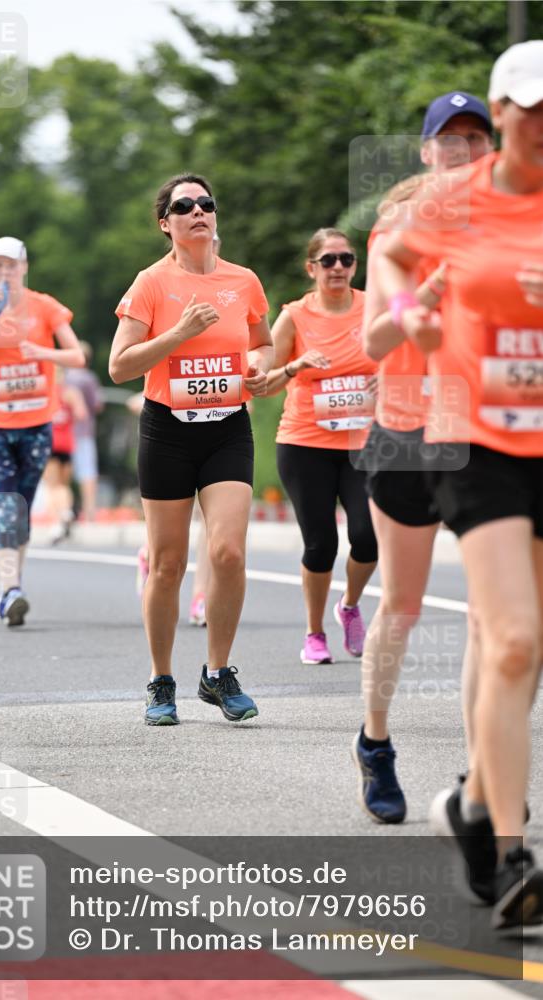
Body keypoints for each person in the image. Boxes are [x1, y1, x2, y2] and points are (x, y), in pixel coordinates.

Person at [376, 42, 543, 929]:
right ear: (503, 112)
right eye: (528, 108)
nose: (540, 126)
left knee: (531, 645)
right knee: (509, 638)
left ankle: (472, 808)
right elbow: (396, 263)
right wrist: (413, 322)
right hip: (471, 436)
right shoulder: (457, 200)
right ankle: (515, 854)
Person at [355, 92, 494, 825]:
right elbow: (374, 343)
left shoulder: (507, 229)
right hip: (407, 430)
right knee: (402, 606)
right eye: (450, 141)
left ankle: (483, 776)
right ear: (424, 151)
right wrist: (425, 297)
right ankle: (374, 743)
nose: (464, 152)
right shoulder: (395, 233)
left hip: (478, 432)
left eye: (477, 139)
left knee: (489, 617)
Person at [110, 173, 273, 725]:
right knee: (168, 563)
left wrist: (260, 370)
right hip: (167, 430)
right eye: (185, 205)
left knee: (228, 552)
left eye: (206, 203)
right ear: (167, 223)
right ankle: (161, 680)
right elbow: (120, 364)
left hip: (227, 425)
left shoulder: (243, 281)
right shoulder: (152, 283)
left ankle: (219, 672)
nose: (198, 211)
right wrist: (178, 334)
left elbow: (264, 345)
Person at [0, 236, 84, 625]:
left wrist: (43, 353)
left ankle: (12, 586)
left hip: (36, 425)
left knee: (22, 511)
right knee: (7, 507)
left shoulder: (45, 307)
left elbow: (77, 356)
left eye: (11, 265)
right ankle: (9, 590)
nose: (4, 271)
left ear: (24, 267)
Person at [265, 228, 378, 666]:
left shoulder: (374, 308)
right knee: (321, 544)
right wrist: (295, 366)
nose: (337, 268)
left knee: (368, 539)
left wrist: (388, 378)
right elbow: (262, 383)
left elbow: (410, 362)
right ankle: (314, 633)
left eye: (346, 260)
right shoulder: (294, 316)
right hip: (305, 443)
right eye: (328, 260)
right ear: (311, 268)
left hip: (364, 444)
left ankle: (349, 605)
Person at [127, 390, 209, 626]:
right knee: (169, 542)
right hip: (168, 442)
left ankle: (201, 597)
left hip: (213, 440)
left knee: (212, 523)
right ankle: (149, 555)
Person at [45, 369, 88, 545]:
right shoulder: (70, 392)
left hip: (50, 443)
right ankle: (66, 513)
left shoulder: (46, 393)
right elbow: (82, 414)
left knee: (52, 486)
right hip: (67, 442)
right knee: (64, 484)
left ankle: (60, 518)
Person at [66, 341, 104, 523]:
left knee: (62, 476)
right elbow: (97, 404)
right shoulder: (88, 378)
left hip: (63, 433)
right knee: (87, 473)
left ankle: (63, 512)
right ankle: (89, 512)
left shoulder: (63, 377)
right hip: (84, 432)